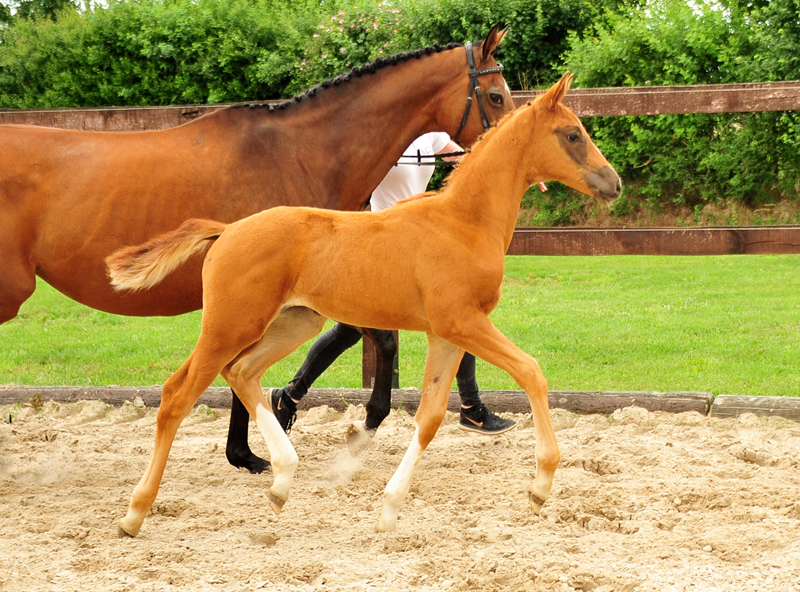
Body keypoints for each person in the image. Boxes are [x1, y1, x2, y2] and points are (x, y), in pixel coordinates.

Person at [270, 132, 516, 436]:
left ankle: (288, 397)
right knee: (353, 330)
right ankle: (471, 408)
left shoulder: (431, 135)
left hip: (414, 242)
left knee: (458, 316)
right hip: (379, 245)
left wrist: (518, 171)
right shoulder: (383, 133)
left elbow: (464, 162)